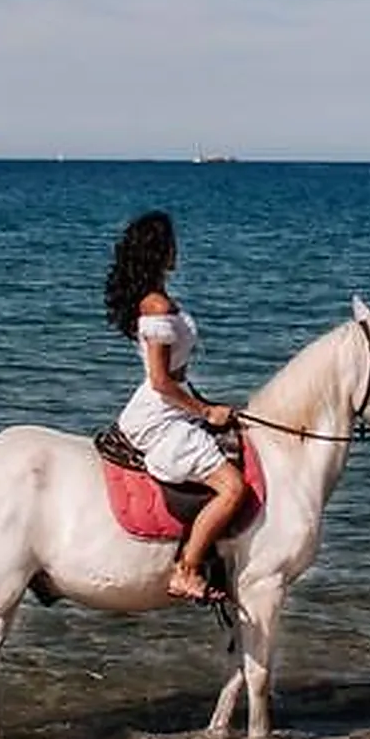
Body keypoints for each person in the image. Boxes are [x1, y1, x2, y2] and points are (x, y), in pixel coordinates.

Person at [104, 210, 244, 603]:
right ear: (159, 250)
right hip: (161, 415)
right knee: (232, 489)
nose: (177, 249)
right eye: (171, 243)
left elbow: (175, 378)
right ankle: (187, 568)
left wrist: (203, 402)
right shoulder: (157, 307)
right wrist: (204, 412)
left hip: (172, 405)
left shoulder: (156, 301)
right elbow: (162, 381)